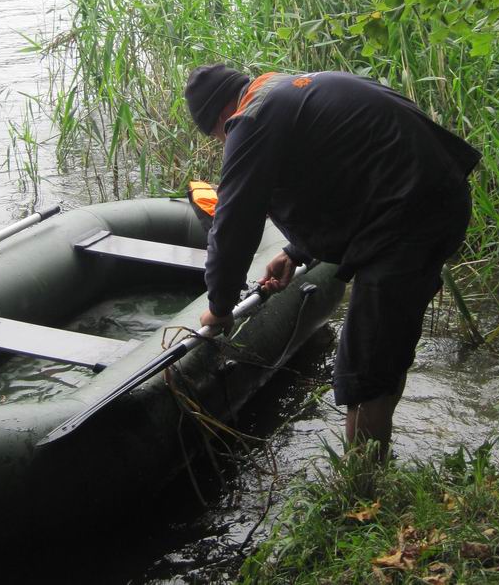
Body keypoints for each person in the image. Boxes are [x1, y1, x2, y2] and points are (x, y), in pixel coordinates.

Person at [184, 64, 481, 458]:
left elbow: (234, 224)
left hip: (407, 218)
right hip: (438, 198)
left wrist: (219, 309)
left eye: (218, 135)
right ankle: (372, 467)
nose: (225, 139)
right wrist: (296, 252)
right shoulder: (292, 88)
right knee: (385, 348)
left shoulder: (251, 117)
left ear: (222, 116)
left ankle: (362, 491)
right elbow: (341, 177)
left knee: (365, 366)